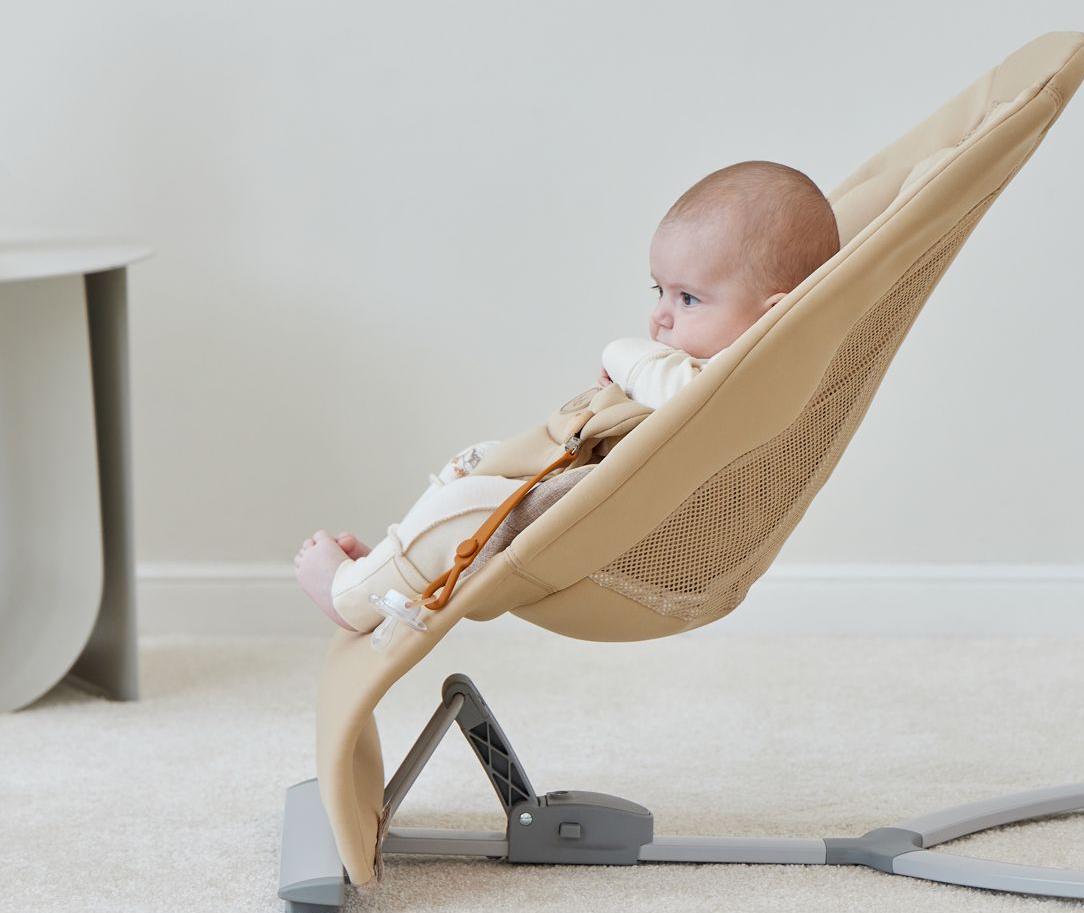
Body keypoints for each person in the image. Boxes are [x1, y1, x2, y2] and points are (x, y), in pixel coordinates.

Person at [293, 159, 841, 632]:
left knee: (473, 505)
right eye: (660, 291)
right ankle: (393, 570)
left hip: (629, 543)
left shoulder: (742, 379)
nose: (661, 315)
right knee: (477, 461)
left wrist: (622, 355)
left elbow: (683, 394)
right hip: (598, 509)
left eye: (689, 298)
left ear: (773, 315)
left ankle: (352, 598)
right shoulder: (723, 371)